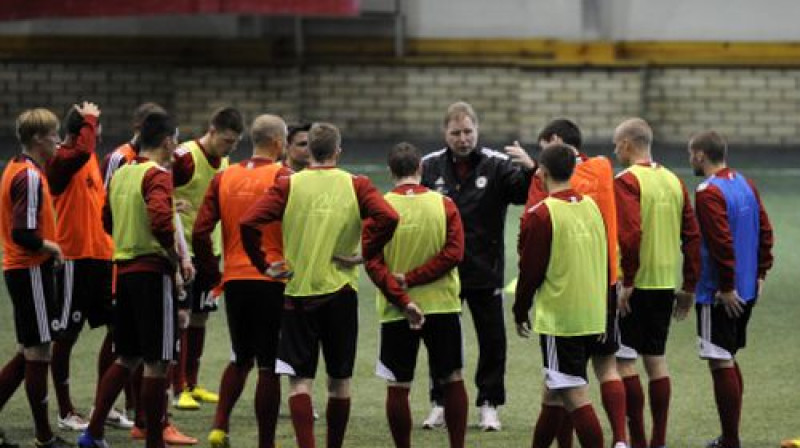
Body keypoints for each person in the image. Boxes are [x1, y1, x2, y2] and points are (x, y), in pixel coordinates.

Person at [240, 122, 404, 448]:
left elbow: (248, 222)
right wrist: (365, 253)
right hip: (341, 293)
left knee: (300, 382)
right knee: (339, 381)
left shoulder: (289, 184)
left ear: (308, 151)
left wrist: (263, 265)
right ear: (338, 152)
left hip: (298, 292)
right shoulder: (356, 184)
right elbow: (389, 217)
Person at [421, 101, 534, 430]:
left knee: (492, 341)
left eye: (468, 131)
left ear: (477, 131)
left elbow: (522, 194)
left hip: (486, 270)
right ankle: (439, 402)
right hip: (442, 272)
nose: (462, 138)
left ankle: (489, 404)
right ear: (445, 133)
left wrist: (529, 168)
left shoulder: (498, 165)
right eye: (455, 133)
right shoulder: (429, 167)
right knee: (441, 340)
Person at [78, 111, 187, 448]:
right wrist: (175, 259)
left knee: (127, 356)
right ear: (168, 141)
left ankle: (93, 432)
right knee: (158, 361)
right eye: (177, 141)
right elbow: (158, 221)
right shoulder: (157, 175)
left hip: (123, 271)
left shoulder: (123, 173)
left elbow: (106, 218)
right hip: (152, 274)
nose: (177, 148)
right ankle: (154, 441)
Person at [524, 119, 628, 448]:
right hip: (604, 285)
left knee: (569, 387)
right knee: (601, 370)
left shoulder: (546, 201)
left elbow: (531, 243)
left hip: (565, 297)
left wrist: (535, 173)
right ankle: (623, 440)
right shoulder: (601, 169)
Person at [193, 114, 293, 448]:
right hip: (272, 277)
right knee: (268, 364)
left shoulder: (225, 176)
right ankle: (266, 443)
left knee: (240, 356)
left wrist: (211, 273)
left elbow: (200, 231)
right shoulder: (283, 176)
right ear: (279, 144)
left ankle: (219, 426)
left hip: (234, 277)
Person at [366, 142, 468, 448]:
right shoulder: (444, 204)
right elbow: (454, 253)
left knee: (399, 385)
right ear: (421, 169)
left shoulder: (379, 208)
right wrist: (415, 278)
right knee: (452, 378)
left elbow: (373, 263)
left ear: (390, 172)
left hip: (397, 309)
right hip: (442, 306)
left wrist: (402, 292)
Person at [613, 118, 701, 448]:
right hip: (665, 284)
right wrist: (689, 286)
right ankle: (658, 441)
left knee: (624, 362)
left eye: (615, 145)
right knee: (656, 361)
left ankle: (637, 441)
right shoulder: (673, 180)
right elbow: (692, 237)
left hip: (635, 286)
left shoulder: (626, 181)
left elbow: (631, 234)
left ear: (625, 145)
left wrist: (628, 279)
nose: (614, 151)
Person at [513, 143, 607, 448]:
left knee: (574, 393)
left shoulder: (541, 214)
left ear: (542, 173)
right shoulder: (591, 206)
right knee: (553, 393)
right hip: (591, 314)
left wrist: (520, 309)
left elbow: (530, 272)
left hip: (561, 318)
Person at [687, 131, 774, 448]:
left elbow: (719, 242)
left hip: (720, 293)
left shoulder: (708, 192)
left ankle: (731, 440)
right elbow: (765, 228)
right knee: (728, 356)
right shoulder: (744, 182)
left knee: (719, 359)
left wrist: (724, 286)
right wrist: (761, 272)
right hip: (747, 287)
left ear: (699, 155)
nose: (690, 160)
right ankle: (730, 437)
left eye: (691, 154)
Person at [0, 108, 72, 448]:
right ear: (38, 139)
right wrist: (53, 248)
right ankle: (44, 435)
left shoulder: (18, 168)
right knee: (39, 353)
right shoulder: (28, 176)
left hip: (23, 269)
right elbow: (23, 233)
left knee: (29, 349)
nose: (58, 141)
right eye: (54, 134)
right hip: (29, 268)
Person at [44, 101, 112, 432]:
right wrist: (88, 118)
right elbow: (82, 151)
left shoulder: (88, 158)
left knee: (119, 329)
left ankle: (104, 404)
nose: (98, 133)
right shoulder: (61, 161)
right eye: (93, 128)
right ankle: (65, 409)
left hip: (100, 257)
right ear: (82, 131)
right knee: (66, 336)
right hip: (73, 260)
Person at [172, 106, 243, 410]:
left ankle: (192, 382)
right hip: (182, 251)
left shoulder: (225, 161)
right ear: (212, 131)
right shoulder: (185, 157)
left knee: (200, 317)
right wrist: (168, 204)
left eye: (234, 143)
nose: (229, 147)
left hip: (209, 253)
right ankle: (177, 389)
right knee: (181, 319)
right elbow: (156, 186)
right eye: (226, 140)